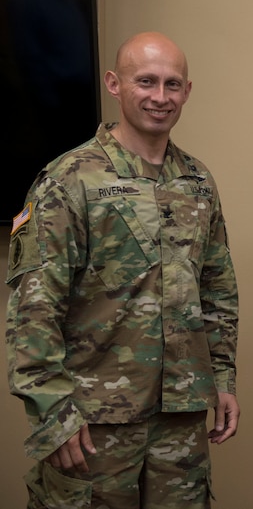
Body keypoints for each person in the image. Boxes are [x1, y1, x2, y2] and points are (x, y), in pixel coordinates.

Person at [5, 32, 240, 508]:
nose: (160, 97)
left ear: (187, 91)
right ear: (114, 84)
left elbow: (217, 290)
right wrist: (53, 413)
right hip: (92, 422)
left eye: (172, 84)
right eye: (146, 81)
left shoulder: (197, 181)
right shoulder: (69, 179)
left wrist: (223, 379)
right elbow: (34, 307)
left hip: (181, 416)